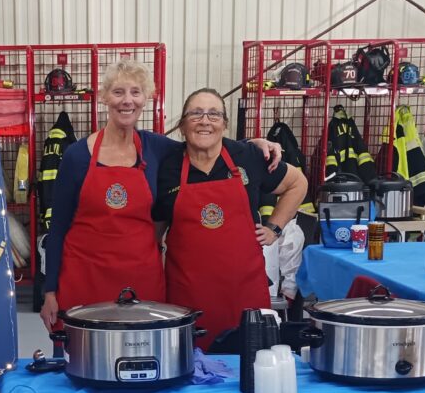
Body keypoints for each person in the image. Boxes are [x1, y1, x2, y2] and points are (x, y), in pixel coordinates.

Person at [39, 60, 281, 331]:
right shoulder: (77, 156)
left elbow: (202, 139)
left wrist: (251, 146)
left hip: (141, 282)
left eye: (135, 92)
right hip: (84, 278)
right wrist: (50, 292)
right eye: (118, 92)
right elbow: (58, 228)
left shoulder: (157, 148)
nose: (127, 101)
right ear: (105, 97)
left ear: (146, 99)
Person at [153, 88, 307, 350]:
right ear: (181, 125)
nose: (205, 121)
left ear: (225, 124)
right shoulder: (167, 166)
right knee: (191, 367)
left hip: (244, 292)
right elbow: (156, 231)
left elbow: (297, 183)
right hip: (188, 296)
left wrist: (274, 228)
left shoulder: (248, 156)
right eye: (195, 114)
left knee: (248, 365)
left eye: (214, 114)